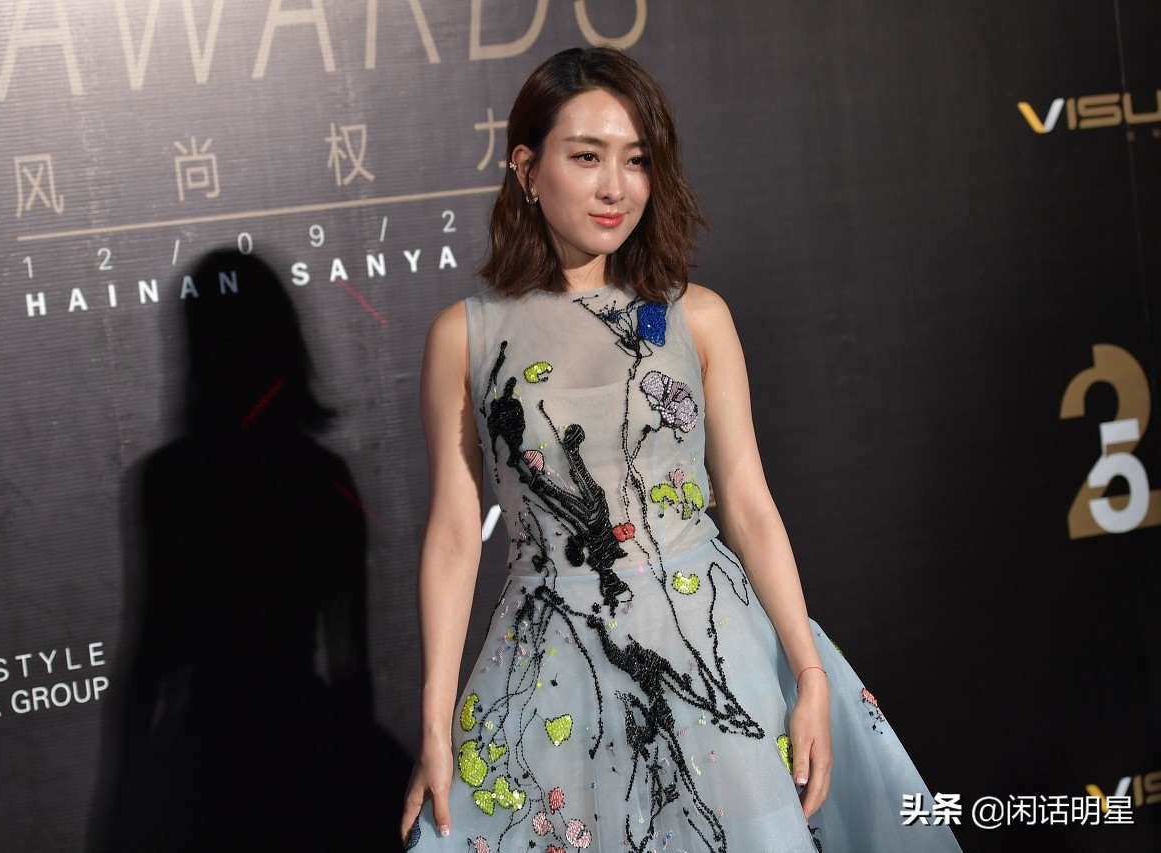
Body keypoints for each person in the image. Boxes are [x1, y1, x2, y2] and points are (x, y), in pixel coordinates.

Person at [401, 46, 960, 852]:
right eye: (586, 157)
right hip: (552, 670)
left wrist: (807, 671)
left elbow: (748, 502)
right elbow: (456, 534)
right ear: (527, 168)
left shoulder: (698, 317)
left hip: (715, 648)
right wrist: (435, 720)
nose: (615, 187)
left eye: (636, 160)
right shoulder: (465, 336)